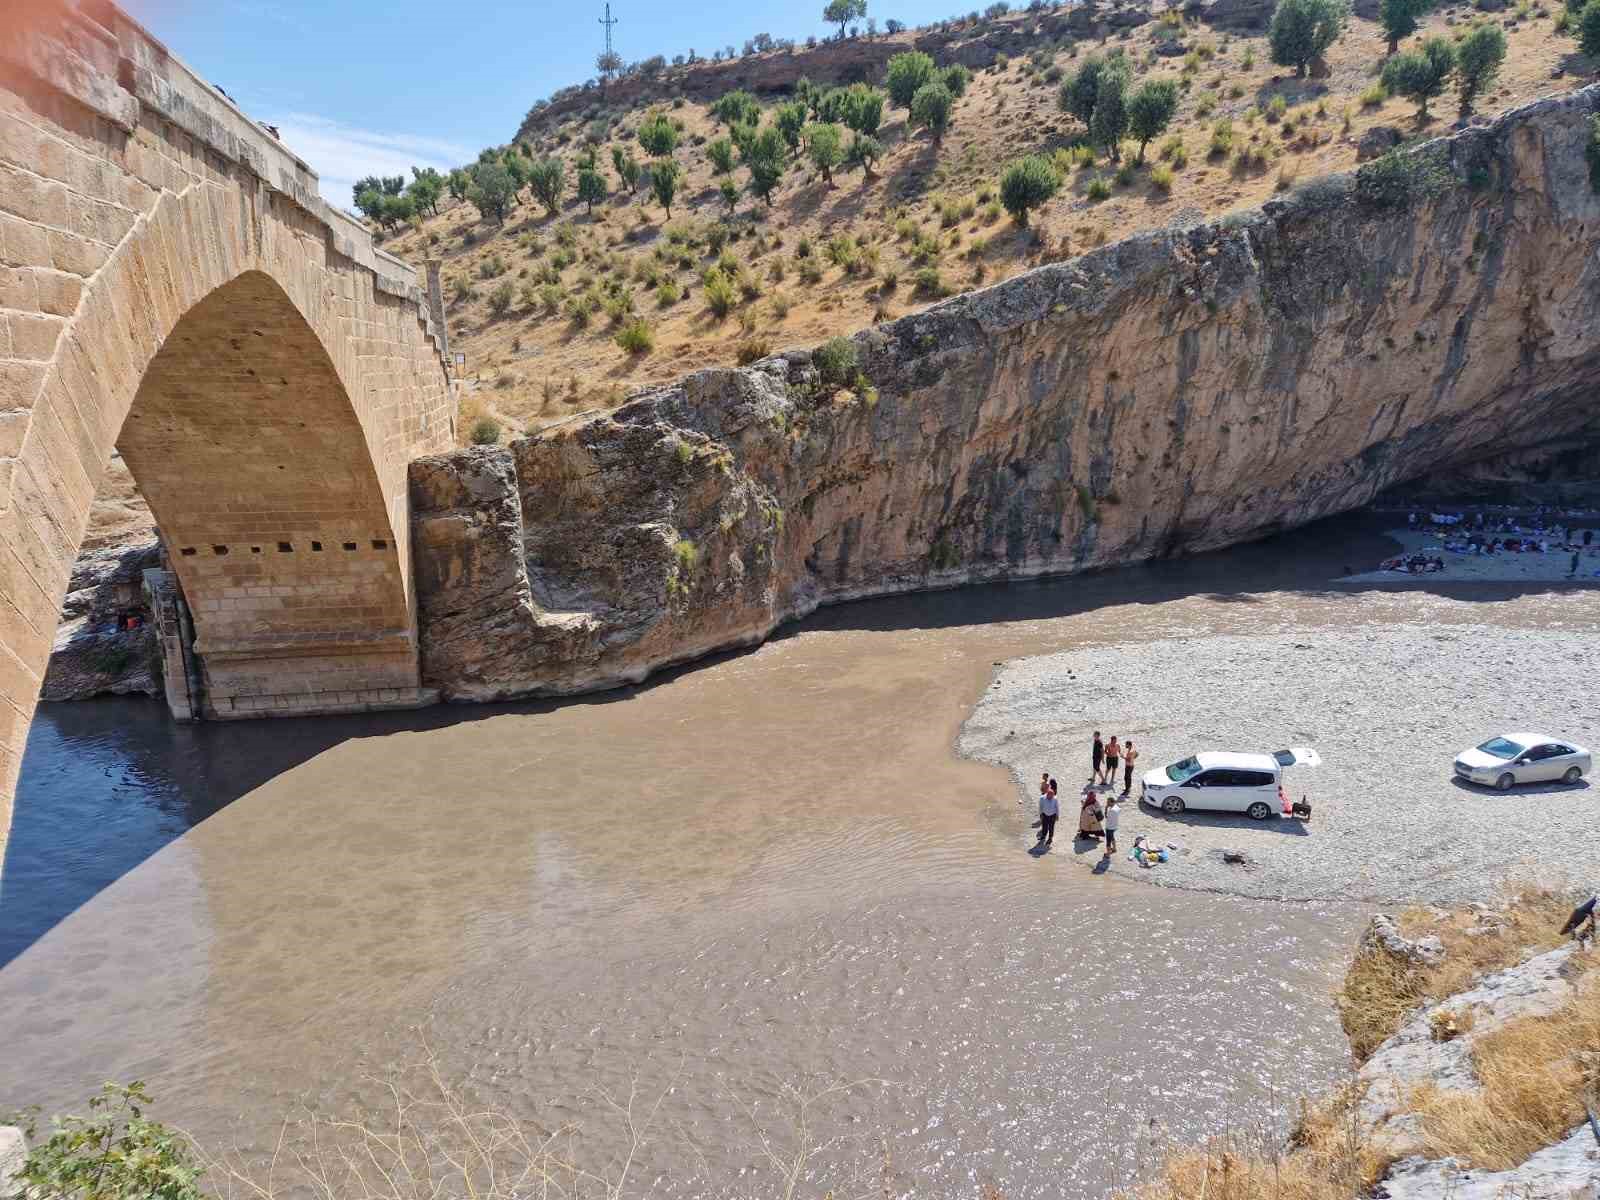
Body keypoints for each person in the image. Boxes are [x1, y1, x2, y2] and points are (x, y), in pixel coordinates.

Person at [1037, 778, 1059, 847]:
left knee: (1051, 827)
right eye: (1050, 796)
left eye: (1052, 796)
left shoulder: (1055, 799)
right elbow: (1040, 807)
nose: (1051, 797)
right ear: (1047, 795)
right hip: (1045, 814)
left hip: (1052, 815)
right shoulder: (1042, 798)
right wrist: (1040, 814)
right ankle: (1043, 836)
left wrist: (1057, 815)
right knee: (1044, 826)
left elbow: (1057, 808)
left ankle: (1050, 838)